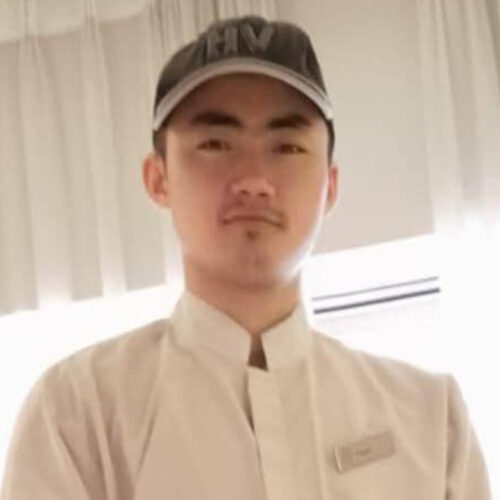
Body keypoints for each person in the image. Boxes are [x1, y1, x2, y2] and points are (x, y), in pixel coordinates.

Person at [0, 15, 491, 500]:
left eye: (287, 146)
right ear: (158, 179)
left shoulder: (431, 420)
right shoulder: (76, 415)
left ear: (330, 185)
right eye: (215, 144)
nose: (254, 180)